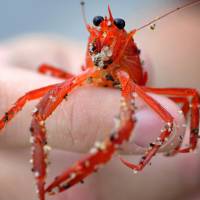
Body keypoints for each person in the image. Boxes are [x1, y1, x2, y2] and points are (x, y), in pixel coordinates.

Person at [0, 33, 199, 200]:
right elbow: (41, 74)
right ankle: (42, 184)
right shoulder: (94, 50)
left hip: (129, 83)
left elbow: (184, 103)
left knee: (176, 104)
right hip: (91, 75)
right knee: (33, 105)